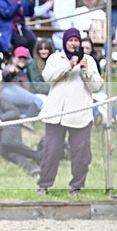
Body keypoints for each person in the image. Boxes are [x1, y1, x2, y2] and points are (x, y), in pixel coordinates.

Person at [36, 28, 103, 195]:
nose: (73, 43)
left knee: (81, 154)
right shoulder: (55, 58)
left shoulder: (89, 60)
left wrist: (85, 70)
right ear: (65, 42)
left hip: (80, 115)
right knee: (51, 151)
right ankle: (44, 185)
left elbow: (96, 86)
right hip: (56, 115)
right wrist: (69, 65)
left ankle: (76, 186)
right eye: (70, 40)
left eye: (76, 40)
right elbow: (47, 77)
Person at [0, 47, 45, 119]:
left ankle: (22, 117)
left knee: (42, 102)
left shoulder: (24, 72)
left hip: (17, 98)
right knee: (37, 101)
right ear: (13, 58)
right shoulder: (11, 67)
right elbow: (6, 73)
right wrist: (11, 70)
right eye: (20, 57)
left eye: (24, 58)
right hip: (8, 91)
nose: (22, 59)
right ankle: (27, 121)